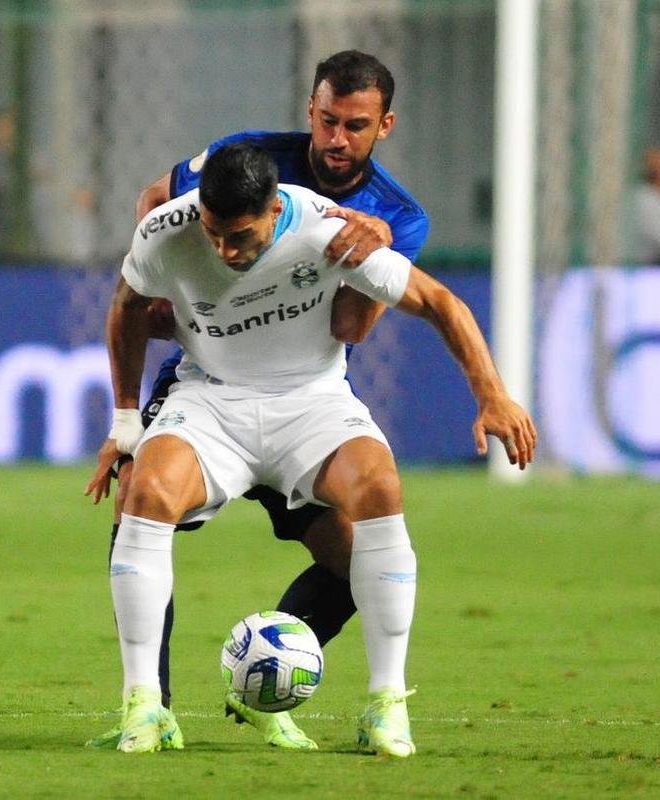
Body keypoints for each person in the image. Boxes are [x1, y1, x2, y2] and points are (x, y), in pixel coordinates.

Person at [90, 143, 536, 756]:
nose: (224, 249)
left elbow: (439, 302)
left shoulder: (329, 231)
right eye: (215, 233)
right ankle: (145, 707)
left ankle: (386, 708)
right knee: (145, 493)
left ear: (275, 210)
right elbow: (127, 308)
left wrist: (493, 395)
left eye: (239, 235)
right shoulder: (167, 232)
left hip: (311, 404)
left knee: (378, 492)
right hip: (211, 401)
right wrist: (124, 425)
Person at [87, 50, 430, 751]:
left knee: (348, 558)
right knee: (137, 512)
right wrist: (172, 292)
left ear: (383, 127)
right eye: (327, 120)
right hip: (209, 382)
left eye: (354, 126)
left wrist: (370, 259)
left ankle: (264, 683)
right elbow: (157, 202)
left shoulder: (394, 215)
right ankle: (151, 708)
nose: (336, 139)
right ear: (309, 110)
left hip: (301, 393)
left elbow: (350, 327)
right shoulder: (244, 158)